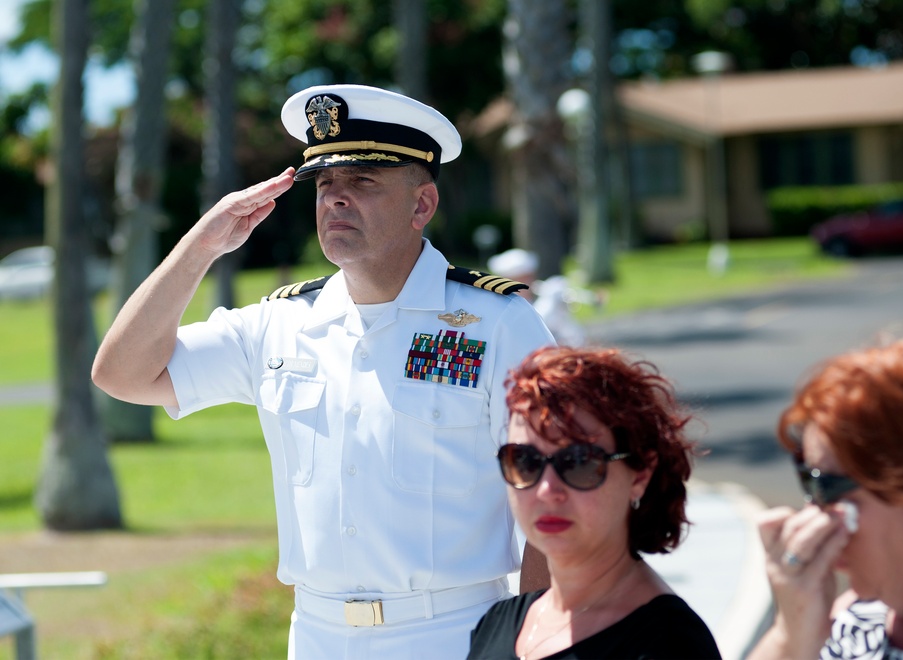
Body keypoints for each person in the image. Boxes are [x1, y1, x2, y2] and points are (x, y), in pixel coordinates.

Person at [92, 84, 556, 659]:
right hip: (315, 636)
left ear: (422, 206)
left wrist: (536, 641)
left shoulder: (498, 323)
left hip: (456, 634)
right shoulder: (279, 325)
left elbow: (554, 490)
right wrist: (201, 247)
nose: (336, 199)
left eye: (363, 182)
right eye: (326, 184)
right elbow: (123, 374)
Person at [748, 336, 903, 660]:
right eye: (806, 480)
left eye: (827, 487)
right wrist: (790, 637)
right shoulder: (851, 620)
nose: (813, 512)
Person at [467, 345, 722, 659]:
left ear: (640, 474)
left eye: (579, 463)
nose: (547, 489)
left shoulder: (670, 645)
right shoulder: (497, 624)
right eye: (525, 461)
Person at [486, 248, 588, 347]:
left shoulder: (540, 298)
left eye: (529, 276)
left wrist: (560, 309)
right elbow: (530, 327)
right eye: (522, 278)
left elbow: (573, 337)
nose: (529, 281)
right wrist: (548, 302)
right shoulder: (501, 306)